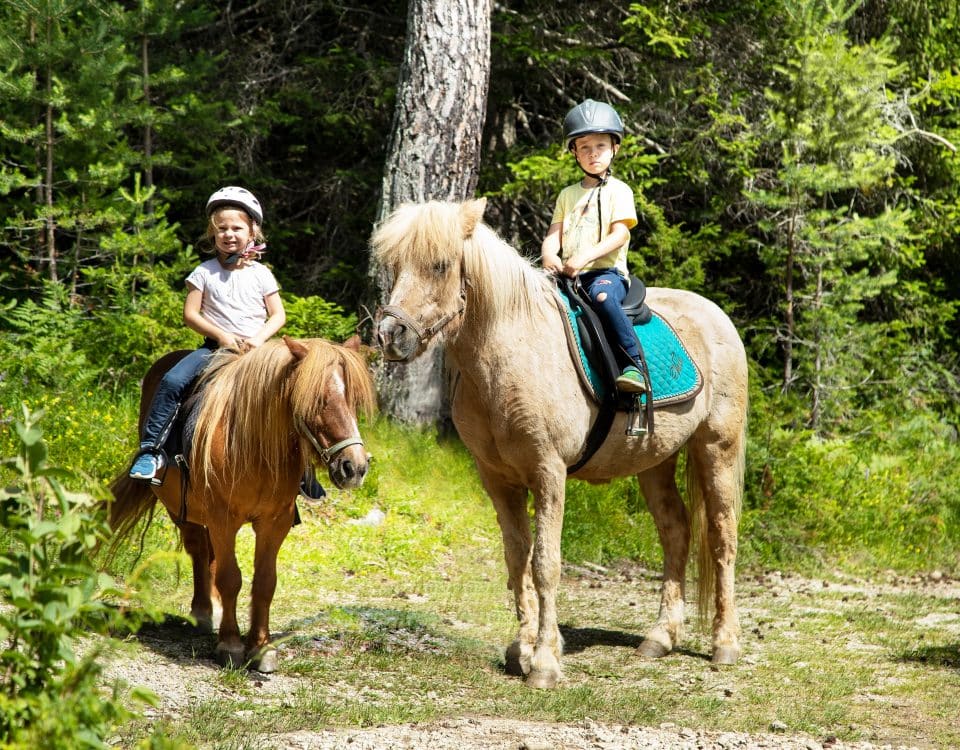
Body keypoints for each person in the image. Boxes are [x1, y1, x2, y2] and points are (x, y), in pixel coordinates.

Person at [128, 186, 286, 481]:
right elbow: (191, 315)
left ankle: (302, 472)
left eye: (236, 227)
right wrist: (223, 337)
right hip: (215, 349)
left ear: (252, 232)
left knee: (295, 388)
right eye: (221, 228)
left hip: (257, 351)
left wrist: (258, 339)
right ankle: (151, 451)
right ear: (212, 234)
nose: (229, 234)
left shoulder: (261, 274)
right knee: (173, 380)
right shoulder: (204, 272)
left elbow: (278, 315)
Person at [541, 99, 646, 394]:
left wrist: (584, 257)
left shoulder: (619, 191)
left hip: (606, 274)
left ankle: (633, 364)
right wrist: (550, 254)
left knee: (602, 297)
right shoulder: (567, 195)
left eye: (600, 146)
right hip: (569, 277)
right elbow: (554, 235)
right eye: (584, 147)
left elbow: (620, 235)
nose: (593, 153)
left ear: (615, 148)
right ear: (574, 152)